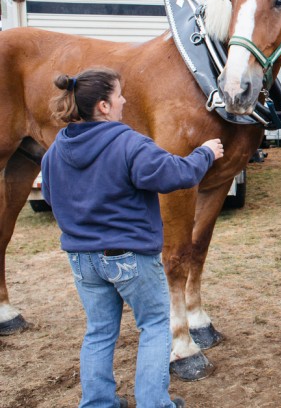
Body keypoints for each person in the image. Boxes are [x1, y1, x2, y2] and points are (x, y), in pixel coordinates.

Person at [41, 68, 224, 408]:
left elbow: (51, 196)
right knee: (155, 326)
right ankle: (155, 403)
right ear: (104, 106)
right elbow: (177, 174)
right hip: (128, 257)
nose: (124, 100)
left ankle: (97, 403)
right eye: (119, 95)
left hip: (82, 260)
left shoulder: (56, 149)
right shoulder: (127, 142)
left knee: (98, 331)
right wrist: (205, 153)